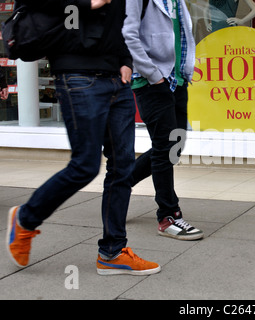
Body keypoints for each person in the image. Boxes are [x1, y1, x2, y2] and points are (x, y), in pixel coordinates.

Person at [6, 0, 161, 276]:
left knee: (122, 166)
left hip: (117, 79)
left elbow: (119, 22)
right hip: (77, 75)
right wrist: (85, 3)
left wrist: (125, 60)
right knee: (85, 165)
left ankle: (113, 252)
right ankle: (25, 218)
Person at [123, 0, 203, 240]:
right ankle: (169, 215)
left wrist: (184, 72)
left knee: (173, 148)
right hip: (152, 81)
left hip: (176, 80)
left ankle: (122, 183)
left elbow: (182, 35)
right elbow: (128, 35)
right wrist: (152, 74)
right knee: (164, 146)